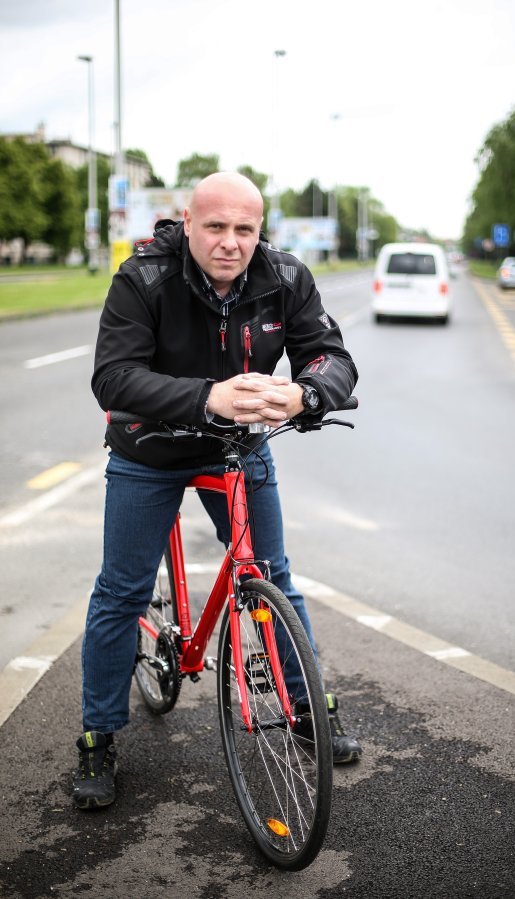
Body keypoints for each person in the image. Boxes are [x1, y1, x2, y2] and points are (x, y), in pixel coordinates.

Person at [73, 171, 362, 810]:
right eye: (216, 227)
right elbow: (113, 377)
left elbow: (331, 357)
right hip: (148, 449)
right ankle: (98, 735)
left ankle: (308, 709)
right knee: (121, 591)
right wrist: (210, 396)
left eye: (244, 229)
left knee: (273, 576)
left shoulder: (285, 277)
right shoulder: (142, 277)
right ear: (188, 222)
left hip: (237, 448)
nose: (231, 242)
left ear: (260, 231)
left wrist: (305, 393)